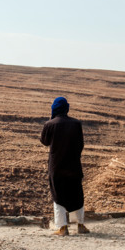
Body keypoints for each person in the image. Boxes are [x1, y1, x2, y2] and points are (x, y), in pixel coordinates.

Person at [40, 96, 89, 236]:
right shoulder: (76, 123)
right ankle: (80, 225)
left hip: (57, 167)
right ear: (66, 108)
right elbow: (81, 144)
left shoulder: (50, 124)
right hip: (74, 165)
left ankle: (62, 228)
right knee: (77, 195)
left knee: (58, 195)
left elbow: (44, 141)